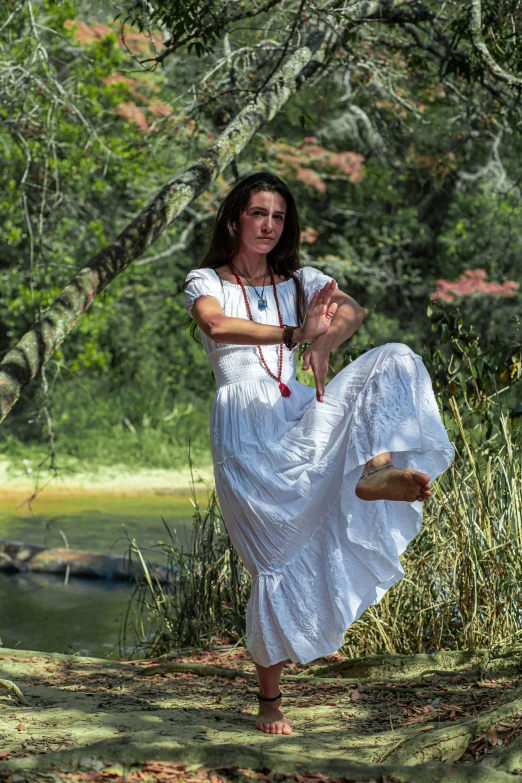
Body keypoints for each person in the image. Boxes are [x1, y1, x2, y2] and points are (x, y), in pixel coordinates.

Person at [183, 171, 454, 736]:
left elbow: (350, 309)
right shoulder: (206, 278)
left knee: (395, 358)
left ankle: (374, 474)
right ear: (236, 218)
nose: (268, 225)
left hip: (300, 408)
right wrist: (293, 334)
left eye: (278, 217)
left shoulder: (299, 279)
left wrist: (324, 342)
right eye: (258, 213)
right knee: (274, 558)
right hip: (246, 429)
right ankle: (270, 701)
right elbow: (214, 322)